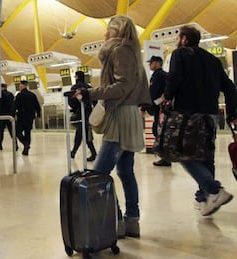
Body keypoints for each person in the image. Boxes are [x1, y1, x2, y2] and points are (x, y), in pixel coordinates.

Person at [78, 15, 151, 238]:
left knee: (98, 174)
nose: (105, 34)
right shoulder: (133, 53)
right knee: (125, 171)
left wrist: (92, 93)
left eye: (109, 30)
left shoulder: (120, 50)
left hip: (120, 117)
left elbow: (122, 86)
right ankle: (132, 221)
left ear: (117, 31)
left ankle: (116, 221)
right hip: (130, 115)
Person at [163, 25, 237, 216]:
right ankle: (205, 198)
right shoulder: (213, 60)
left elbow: (174, 78)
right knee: (206, 156)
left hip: (188, 114)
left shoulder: (180, 54)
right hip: (210, 115)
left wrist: (167, 96)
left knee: (182, 153)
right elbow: (230, 88)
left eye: (179, 37)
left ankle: (214, 190)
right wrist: (232, 113)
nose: (177, 40)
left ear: (185, 39)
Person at [145, 56, 171, 167]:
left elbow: (154, 91)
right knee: (159, 130)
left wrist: (148, 104)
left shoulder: (158, 75)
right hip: (163, 107)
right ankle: (165, 157)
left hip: (160, 107)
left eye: (151, 63)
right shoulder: (164, 75)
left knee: (158, 130)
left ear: (157, 63)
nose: (150, 64)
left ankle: (165, 157)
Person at [68, 71, 96, 161]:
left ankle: (74, 152)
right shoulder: (89, 87)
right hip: (88, 113)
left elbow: (71, 101)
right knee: (86, 132)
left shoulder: (74, 88)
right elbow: (95, 100)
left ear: (77, 77)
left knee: (80, 133)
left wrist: (74, 108)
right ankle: (92, 153)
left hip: (79, 113)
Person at [12, 80, 41, 156]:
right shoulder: (32, 95)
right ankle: (26, 150)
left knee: (17, 132)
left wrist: (12, 115)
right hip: (30, 117)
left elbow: (15, 106)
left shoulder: (19, 95)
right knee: (28, 132)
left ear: (22, 86)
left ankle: (25, 144)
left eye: (20, 86)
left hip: (21, 116)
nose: (19, 87)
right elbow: (37, 106)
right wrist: (38, 115)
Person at [0, 83, 15, 150]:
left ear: (1, 88)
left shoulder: (0, 95)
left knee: (1, 132)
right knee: (12, 131)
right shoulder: (11, 94)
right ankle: (16, 145)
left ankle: (0, 145)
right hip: (9, 116)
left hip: (2, 116)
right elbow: (13, 105)